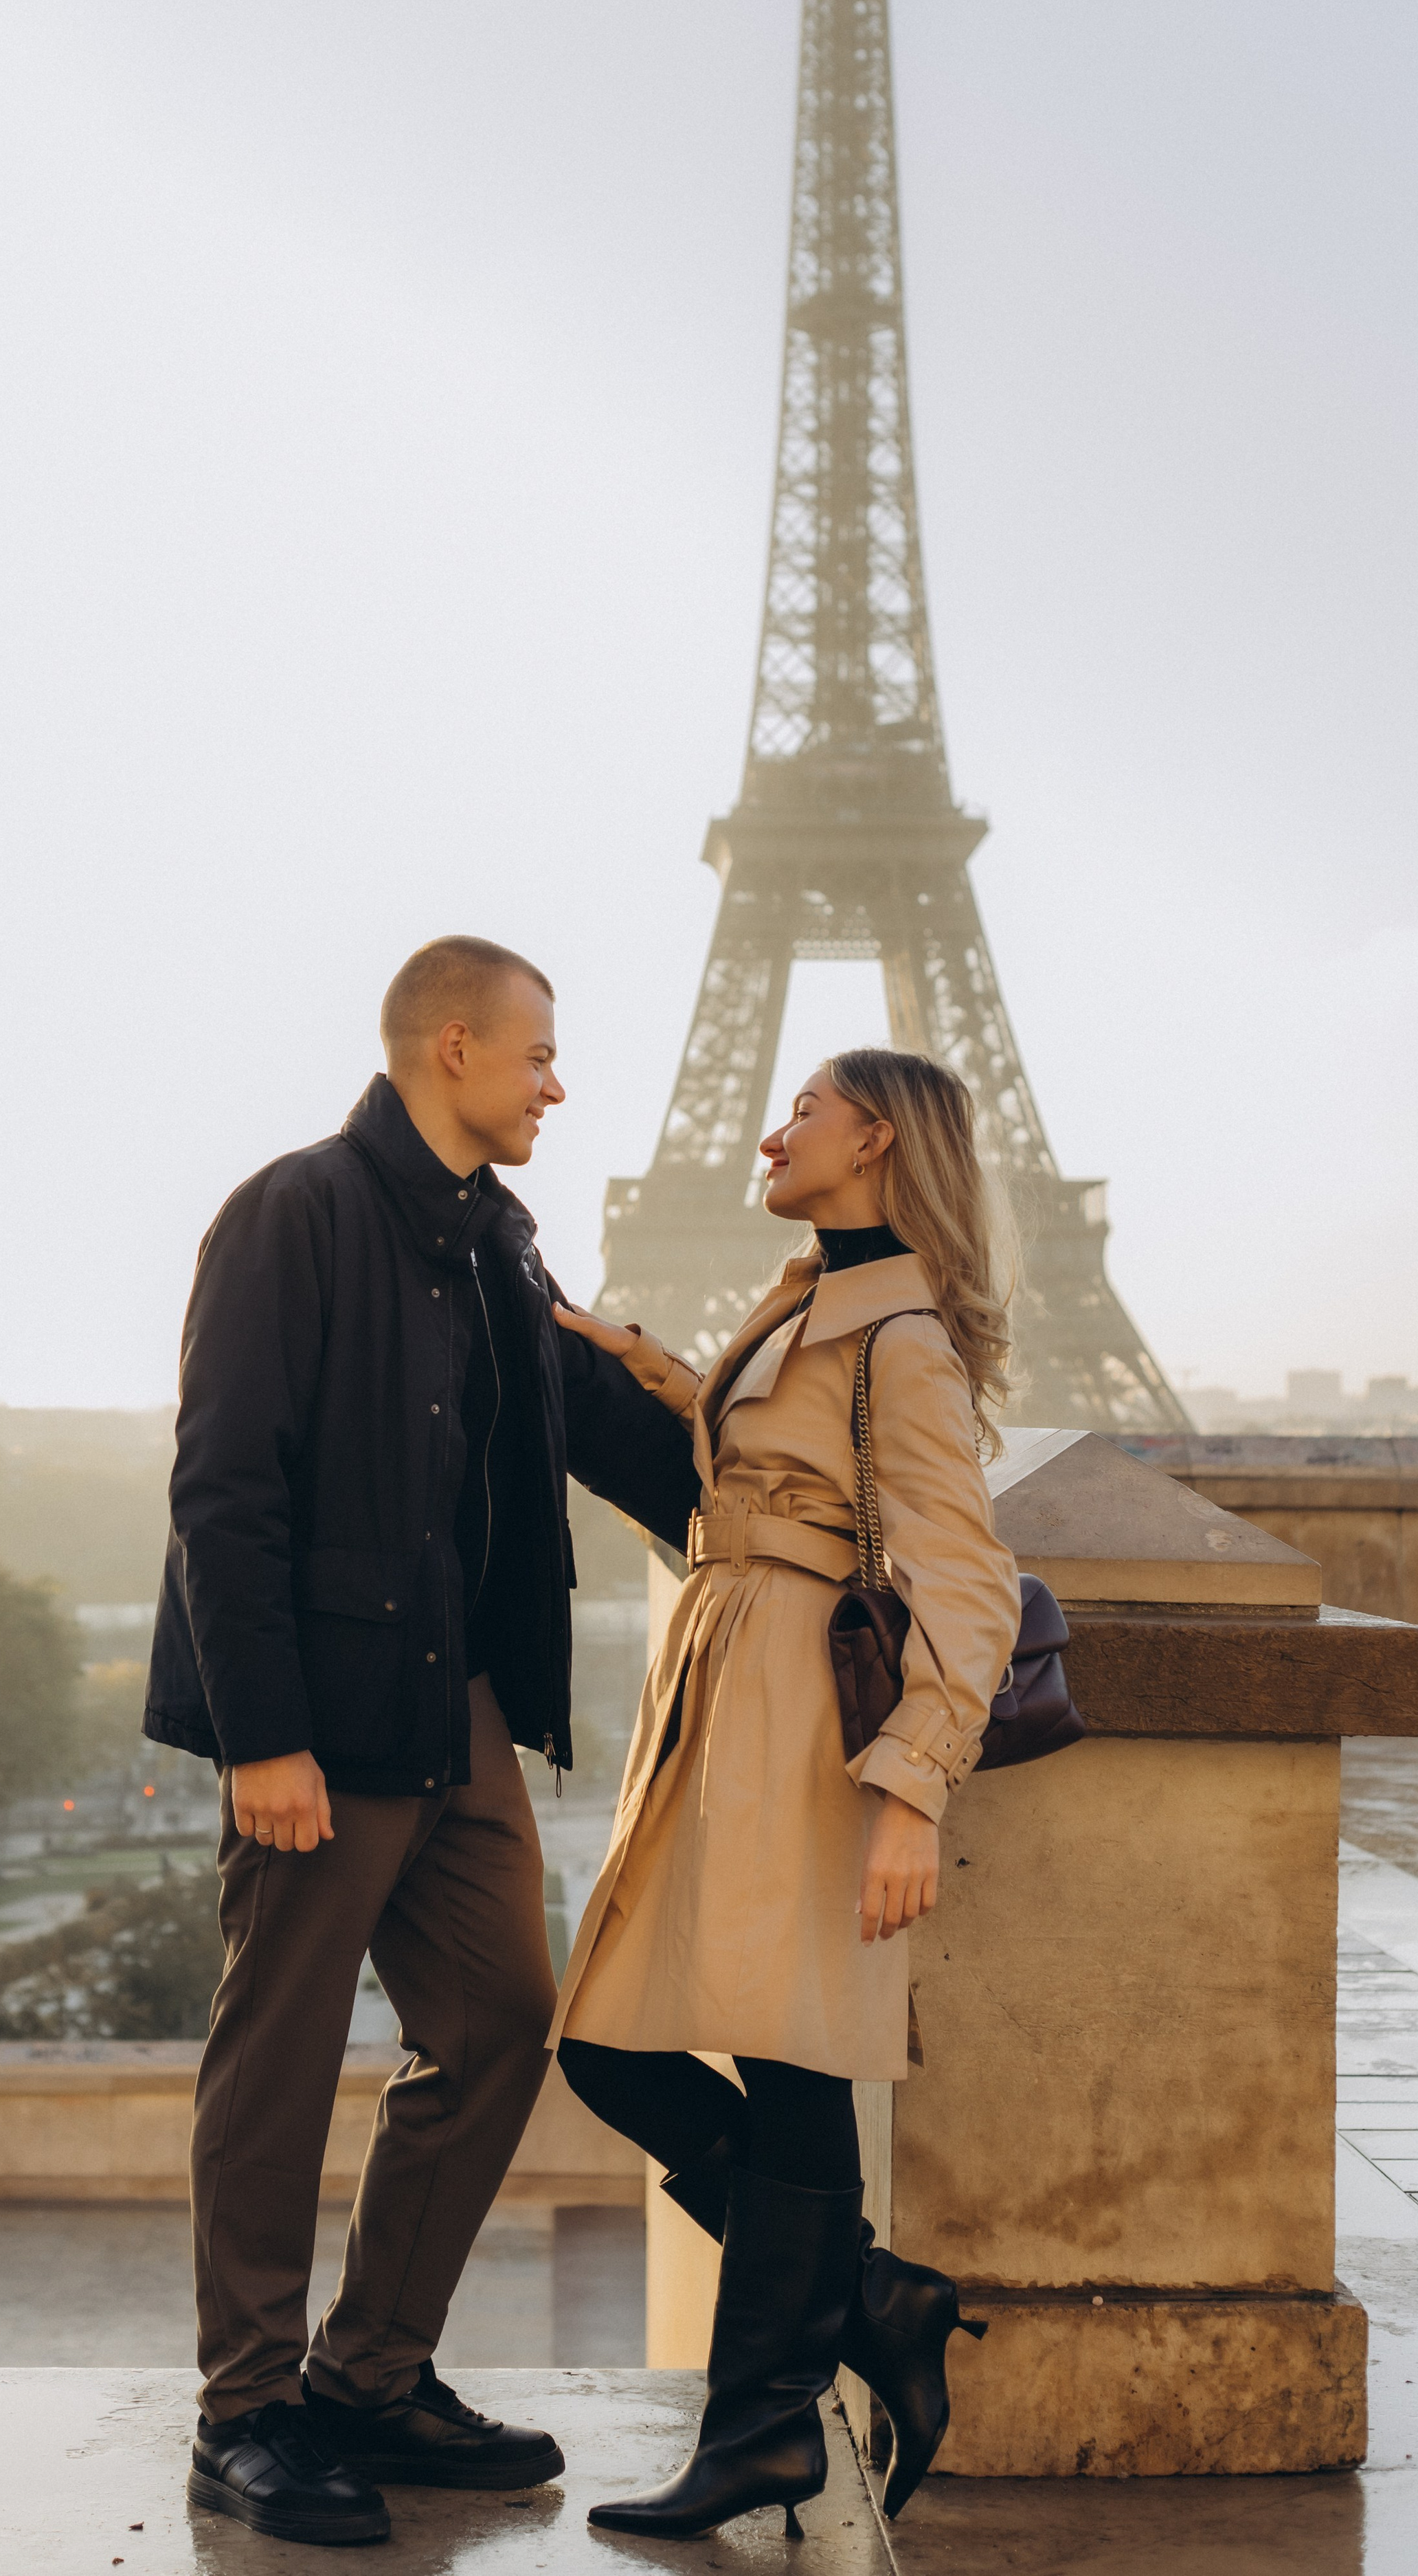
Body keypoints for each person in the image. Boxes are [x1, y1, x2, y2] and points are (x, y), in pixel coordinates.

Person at [144, 935, 699, 2547]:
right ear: (451, 1048)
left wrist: (823, 1484)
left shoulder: (501, 1249)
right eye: (537, 1057)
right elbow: (224, 1490)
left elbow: (618, 1445)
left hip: (457, 1710)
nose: (555, 1084)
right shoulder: (291, 1213)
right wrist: (263, 1738)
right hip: (315, 1716)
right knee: (280, 2058)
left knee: (504, 2025)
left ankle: (369, 2377)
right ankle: (244, 2411)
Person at [550, 1046, 1022, 2538]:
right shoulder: (816, 1302)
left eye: (802, 1115)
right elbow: (775, 1473)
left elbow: (965, 1581)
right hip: (727, 1691)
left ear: (874, 1137)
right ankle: (865, 2301)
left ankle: (763, 2419)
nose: (769, 1132)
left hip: (796, 1720)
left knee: (783, 2062)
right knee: (634, 2051)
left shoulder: (903, 1340)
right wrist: (653, 1375)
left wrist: (910, 1796)